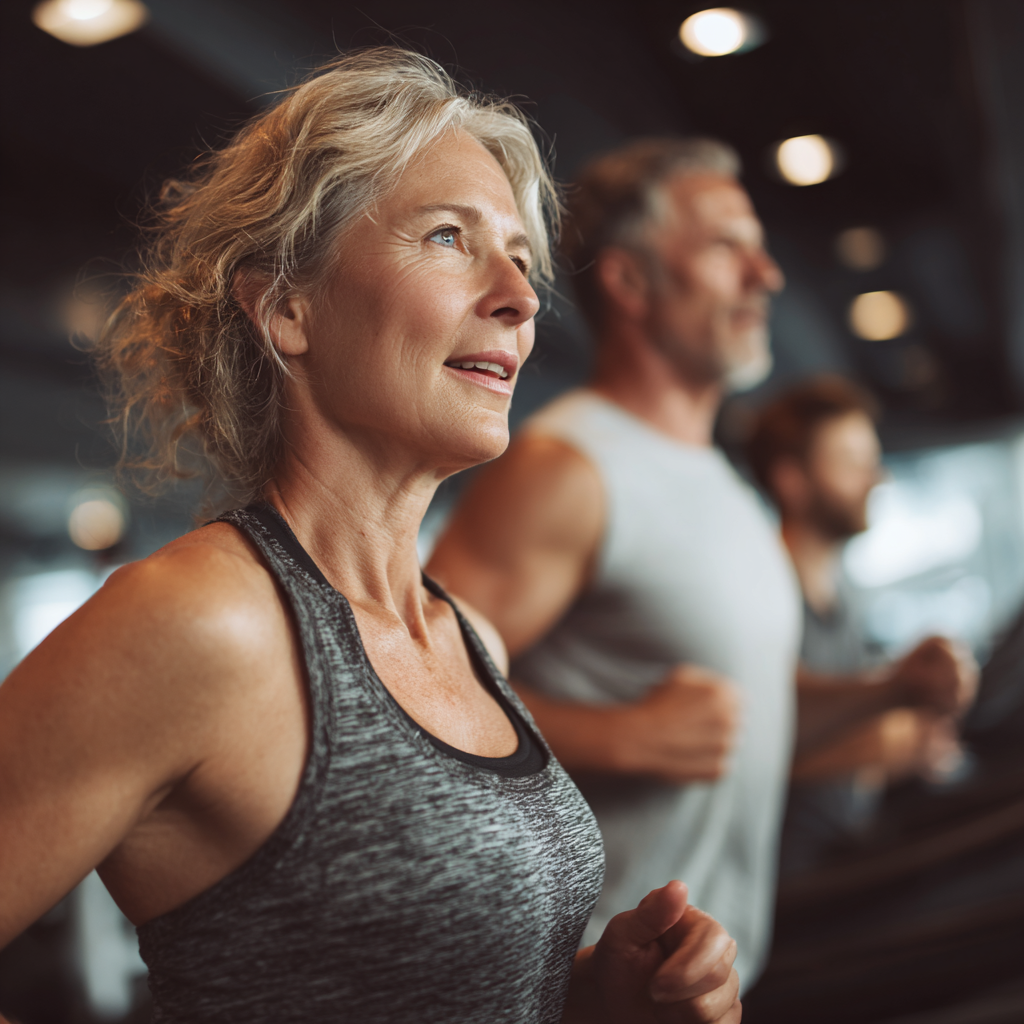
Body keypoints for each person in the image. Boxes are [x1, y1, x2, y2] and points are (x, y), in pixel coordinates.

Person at [0, 51, 743, 1024]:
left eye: (519, 257)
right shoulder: (199, 624)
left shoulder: (466, 633)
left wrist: (599, 996)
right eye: (449, 237)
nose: (519, 299)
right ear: (288, 308)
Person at [426, 137, 975, 991]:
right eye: (726, 246)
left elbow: (750, 720)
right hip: (585, 983)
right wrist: (621, 736)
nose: (767, 275)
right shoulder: (569, 467)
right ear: (630, 281)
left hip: (705, 985)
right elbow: (411, 693)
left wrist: (885, 692)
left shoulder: (725, 486)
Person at [746, 375, 977, 874]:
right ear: (792, 479)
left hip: (848, 847)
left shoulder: (846, 597)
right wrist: (889, 737)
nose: (877, 479)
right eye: (853, 463)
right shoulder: (759, 596)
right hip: (791, 873)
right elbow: (759, 749)